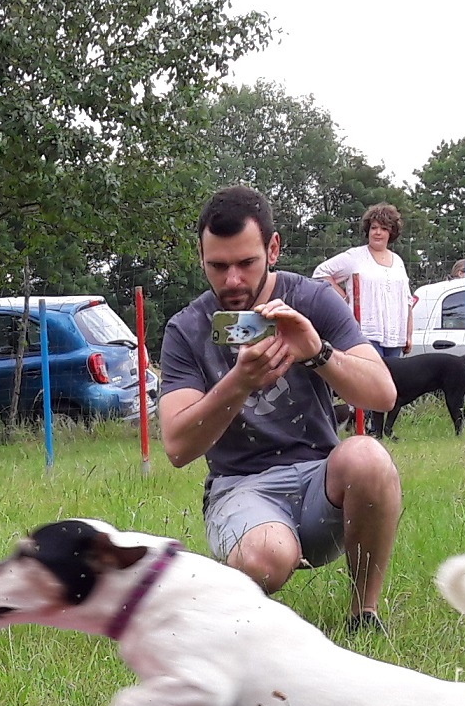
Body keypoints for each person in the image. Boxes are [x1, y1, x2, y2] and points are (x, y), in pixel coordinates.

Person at [156, 184, 400, 635]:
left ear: (273, 248)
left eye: (245, 263)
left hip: (319, 482)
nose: (232, 281)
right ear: (201, 257)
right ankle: (229, 619)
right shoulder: (187, 329)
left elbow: (382, 393)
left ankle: (363, 616)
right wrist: (239, 381)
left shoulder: (311, 301)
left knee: (368, 456)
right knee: (268, 557)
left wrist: (317, 352)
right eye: (218, 266)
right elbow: (175, 445)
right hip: (239, 488)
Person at [313, 203, 414, 437]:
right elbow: (321, 273)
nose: (377, 233)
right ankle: (362, 428)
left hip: (393, 333)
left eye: (383, 228)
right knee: (366, 381)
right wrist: (344, 297)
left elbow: (406, 298)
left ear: (392, 232)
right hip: (364, 330)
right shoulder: (355, 257)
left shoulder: (397, 261)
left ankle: (379, 431)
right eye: (374, 227)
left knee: (387, 384)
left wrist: (408, 332)